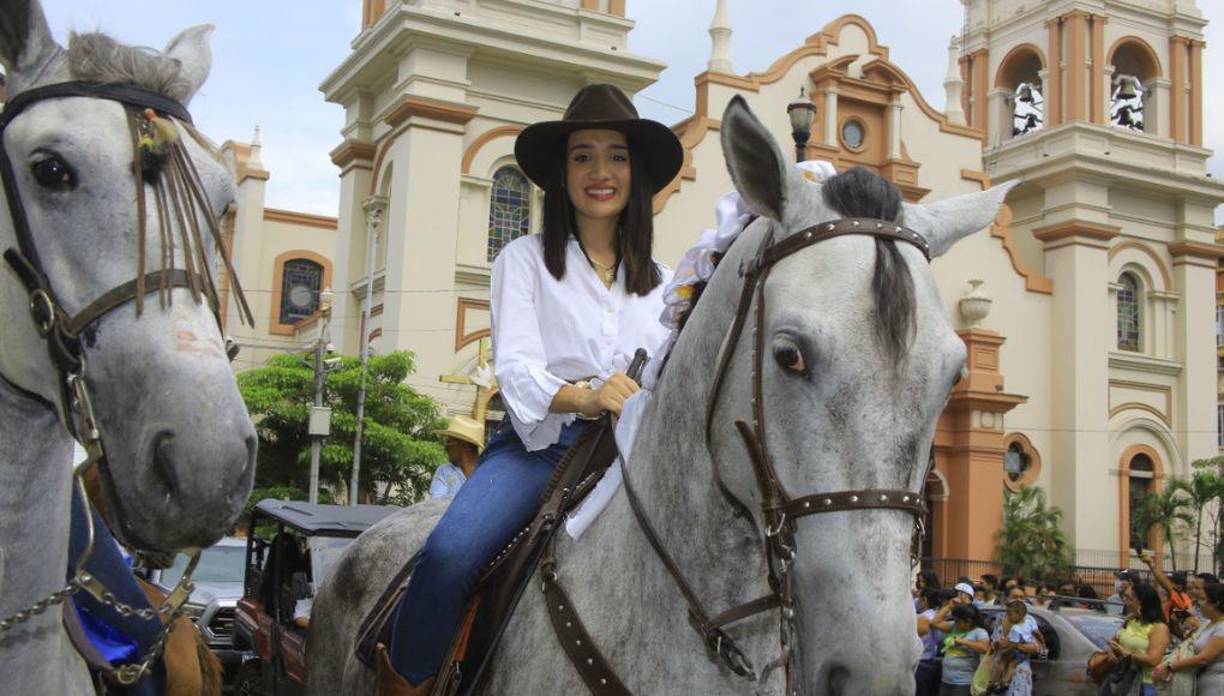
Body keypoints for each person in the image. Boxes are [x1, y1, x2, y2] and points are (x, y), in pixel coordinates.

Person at [376, 83, 683, 695]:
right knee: (448, 554)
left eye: (617, 156)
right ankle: (406, 683)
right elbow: (514, 366)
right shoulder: (522, 259)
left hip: (634, 455)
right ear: (562, 174)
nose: (601, 172)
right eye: (583, 156)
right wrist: (587, 396)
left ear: (637, 172)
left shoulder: (668, 284)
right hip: (539, 448)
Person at [1153, 582, 1224, 692]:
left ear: (1216, 603)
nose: (1198, 603)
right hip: (1201, 683)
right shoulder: (1208, 623)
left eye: (1203, 599)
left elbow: (1204, 659)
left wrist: (1169, 667)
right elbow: (1190, 642)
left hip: (1216, 686)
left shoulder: (1222, 628)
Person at [1108, 582, 1171, 695]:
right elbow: (1114, 642)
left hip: (1146, 684)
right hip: (1124, 678)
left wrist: (1128, 655)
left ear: (1142, 603)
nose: (1126, 602)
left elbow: (1153, 660)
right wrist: (1113, 654)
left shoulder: (1159, 628)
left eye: (1130, 599)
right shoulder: (1130, 620)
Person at [988, 599, 1040, 695]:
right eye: (1015, 596)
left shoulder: (1028, 621)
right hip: (998, 670)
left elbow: (1036, 648)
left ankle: (1005, 683)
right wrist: (996, 644)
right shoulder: (1000, 619)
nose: (1018, 598)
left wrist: (1015, 645)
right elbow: (994, 644)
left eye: (1021, 596)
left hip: (1019, 670)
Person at [427, 416, 486, 499]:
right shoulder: (444, 471)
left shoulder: (488, 473)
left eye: (449, 443)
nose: (445, 448)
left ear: (465, 446)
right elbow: (436, 504)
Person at [939, 604, 990, 695]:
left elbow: (984, 648)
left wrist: (964, 642)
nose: (955, 623)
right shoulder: (954, 627)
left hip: (963, 682)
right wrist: (948, 606)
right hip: (946, 680)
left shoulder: (979, 632)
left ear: (968, 621)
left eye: (958, 621)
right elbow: (934, 623)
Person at [1140, 550, 1194, 635]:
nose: (1163, 584)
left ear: (1179, 586)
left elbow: (1165, 585)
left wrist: (1151, 564)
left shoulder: (1182, 599)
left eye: (1169, 581)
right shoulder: (1170, 600)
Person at [916, 588, 949, 696]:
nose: (917, 602)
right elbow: (940, 639)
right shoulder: (938, 617)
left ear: (925, 600)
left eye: (919, 600)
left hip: (921, 663)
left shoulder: (920, 618)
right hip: (932, 662)